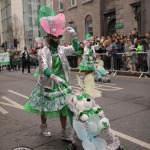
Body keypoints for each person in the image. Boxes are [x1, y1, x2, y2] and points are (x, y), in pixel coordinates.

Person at [24, 6, 78, 140]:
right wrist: (53, 77)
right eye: (55, 37)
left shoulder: (61, 49)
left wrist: (74, 36)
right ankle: (44, 126)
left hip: (61, 82)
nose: (58, 39)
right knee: (44, 107)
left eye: (59, 37)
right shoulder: (43, 51)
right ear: (49, 38)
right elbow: (43, 67)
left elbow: (75, 49)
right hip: (48, 82)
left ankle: (65, 131)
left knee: (64, 107)